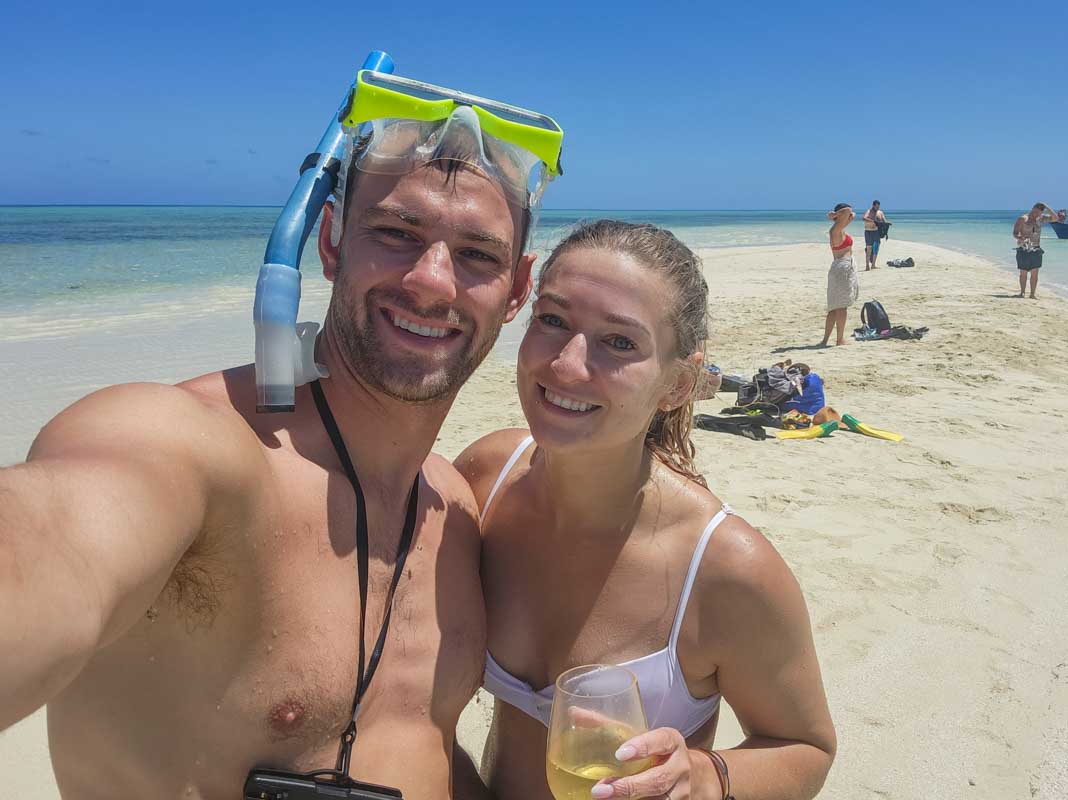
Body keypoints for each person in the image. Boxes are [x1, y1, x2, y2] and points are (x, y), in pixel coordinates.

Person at [0, 74, 564, 799]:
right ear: (329, 242)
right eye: (396, 234)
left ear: (517, 291)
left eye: (477, 255)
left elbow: (417, 744)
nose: (432, 282)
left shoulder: (452, 512)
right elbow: (54, 538)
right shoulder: (192, 447)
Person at [454, 220, 837, 800]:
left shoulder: (725, 566)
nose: (565, 364)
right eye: (552, 321)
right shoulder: (485, 480)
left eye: (620, 342)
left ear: (678, 384)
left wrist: (705, 777)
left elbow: (807, 748)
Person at [821, 203, 858, 346]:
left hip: (839, 268)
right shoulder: (835, 230)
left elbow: (851, 214)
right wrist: (834, 215)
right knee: (840, 307)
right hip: (842, 268)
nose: (850, 216)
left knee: (834, 307)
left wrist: (837, 216)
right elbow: (849, 211)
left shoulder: (840, 227)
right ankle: (839, 339)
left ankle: (825, 340)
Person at [1011, 202, 1064, 299]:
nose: (1036, 214)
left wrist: (1047, 206)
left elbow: (1056, 218)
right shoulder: (1023, 219)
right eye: (1035, 212)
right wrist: (1020, 238)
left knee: (1035, 273)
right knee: (1023, 273)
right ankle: (1022, 293)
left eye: (1038, 213)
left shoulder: (1041, 218)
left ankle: (1032, 294)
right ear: (1032, 209)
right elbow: (1014, 233)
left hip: (1036, 248)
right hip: (1024, 248)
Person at [862, 200, 888, 271]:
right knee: (869, 249)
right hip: (868, 232)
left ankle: (873, 265)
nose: (877, 208)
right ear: (873, 205)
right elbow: (864, 218)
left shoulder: (880, 212)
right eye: (876, 206)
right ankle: (867, 266)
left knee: (876, 249)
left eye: (878, 206)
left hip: (876, 232)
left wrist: (887, 224)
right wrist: (873, 221)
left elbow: (884, 221)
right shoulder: (869, 211)